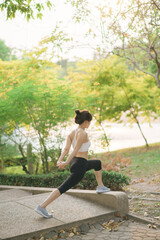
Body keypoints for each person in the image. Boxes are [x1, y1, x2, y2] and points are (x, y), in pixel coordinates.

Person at [35, 109, 110, 218]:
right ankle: (42, 207)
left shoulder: (72, 133)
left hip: (77, 162)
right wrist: (65, 162)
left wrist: (59, 160)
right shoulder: (82, 133)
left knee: (97, 163)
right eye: (89, 122)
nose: (89, 124)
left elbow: (66, 149)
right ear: (85, 122)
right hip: (79, 164)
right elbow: (75, 149)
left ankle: (101, 186)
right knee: (63, 188)